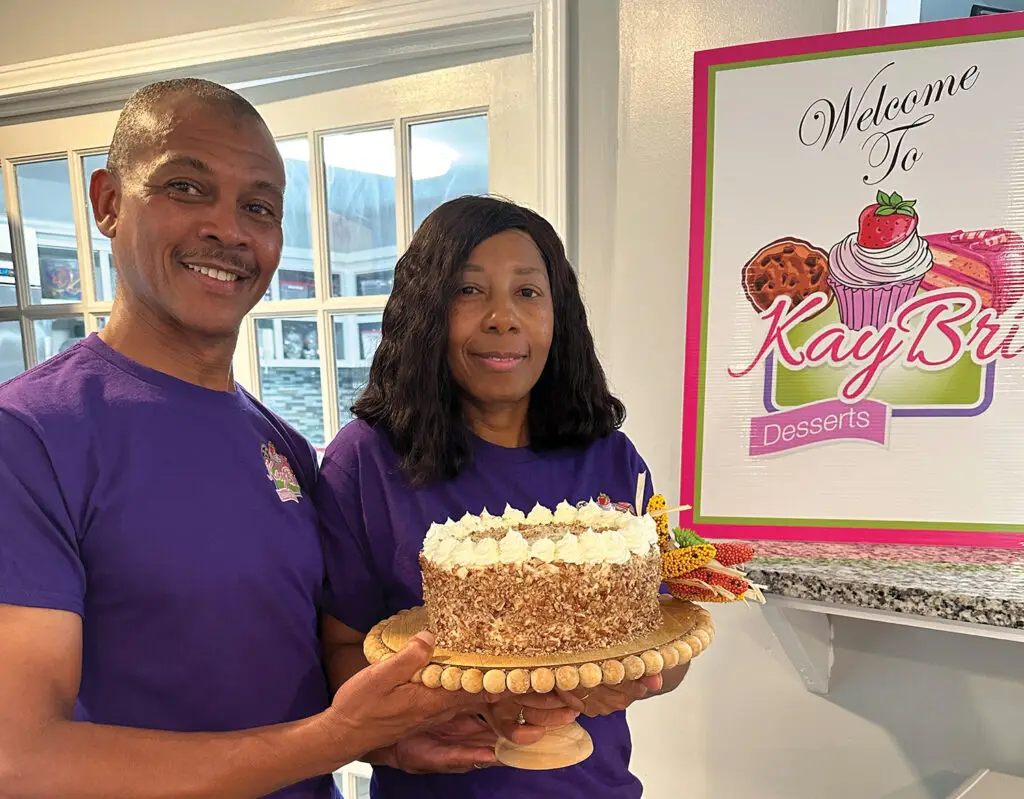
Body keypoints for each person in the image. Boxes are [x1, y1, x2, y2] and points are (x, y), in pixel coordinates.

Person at [0, 79, 493, 799]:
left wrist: (388, 738)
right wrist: (335, 737)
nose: (228, 231)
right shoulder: (31, 435)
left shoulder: (284, 448)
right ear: (108, 201)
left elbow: (285, 680)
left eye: (258, 207)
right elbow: (23, 759)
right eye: (186, 187)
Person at [316, 195, 688, 798]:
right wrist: (448, 706)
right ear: (425, 311)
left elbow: (663, 640)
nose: (502, 318)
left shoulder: (610, 458)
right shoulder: (366, 461)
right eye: (468, 291)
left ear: (557, 315)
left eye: (528, 293)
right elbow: (340, 649)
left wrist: (632, 677)